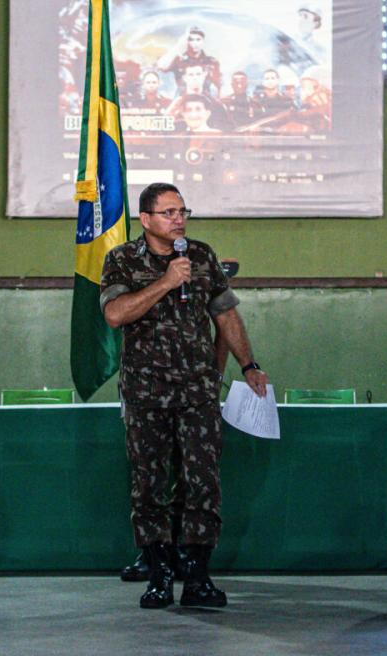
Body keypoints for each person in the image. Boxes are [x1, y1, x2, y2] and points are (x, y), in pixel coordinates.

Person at [101, 183, 267, 609]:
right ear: (146, 219)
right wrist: (166, 281)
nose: (179, 219)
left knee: (203, 485)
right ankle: (158, 575)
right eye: (169, 212)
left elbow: (225, 313)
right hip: (146, 392)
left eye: (182, 211)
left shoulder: (202, 255)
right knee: (149, 486)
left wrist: (248, 366)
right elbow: (116, 314)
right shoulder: (122, 259)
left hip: (197, 390)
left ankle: (197, 577)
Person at [156, 25, 221, 95]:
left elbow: (218, 85)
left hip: (205, 99)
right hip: (182, 98)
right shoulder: (179, 60)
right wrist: (179, 44)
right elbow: (161, 66)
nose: (195, 43)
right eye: (191, 40)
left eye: (198, 39)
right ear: (186, 41)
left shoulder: (211, 62)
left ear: (203, 41)